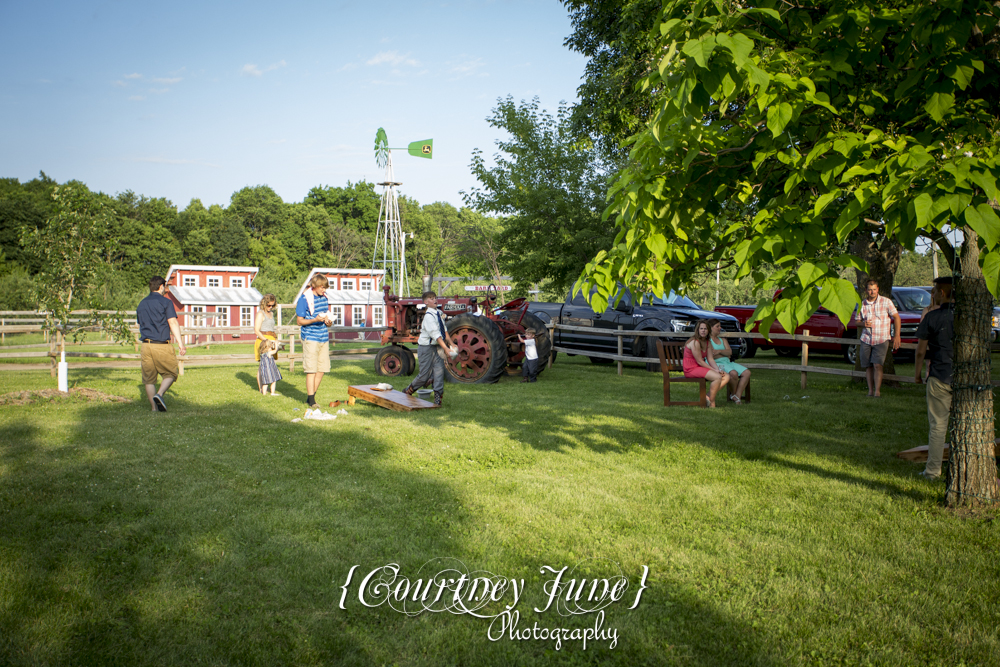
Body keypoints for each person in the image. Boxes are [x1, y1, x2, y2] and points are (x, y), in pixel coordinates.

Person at [914, 277, 953, 481]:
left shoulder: (932, 317)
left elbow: (920, 351)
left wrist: (917, 374)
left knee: (938, 427)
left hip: (939, 375)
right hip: (964, 379)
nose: (934, 295)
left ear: (942, 293)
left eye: (935, 291)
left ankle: (932, 472)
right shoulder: (967, 318)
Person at [136, 276, 186, 413]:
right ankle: (160, 394)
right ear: (161, 287)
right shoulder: (166, 302)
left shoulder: (142, 303)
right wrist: (181, 343)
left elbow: (140, 323)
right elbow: (173, 322)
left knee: (149, 379)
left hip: (146, 345)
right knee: (171, 373)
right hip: (161, 344)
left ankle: (154, 409)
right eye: (164, 287)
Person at [403, 291, 456, 406]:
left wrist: (451, 343)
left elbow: (444, 330)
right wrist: (446, 348)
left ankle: (437, 399)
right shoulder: (428, 317)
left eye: (435, 298)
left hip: (437, 347)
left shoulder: (439, 313)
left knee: (439, 372)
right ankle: (407, 391)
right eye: (431, 298)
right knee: (424, 375)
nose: (435, 300)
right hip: (426, 348)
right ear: (426, 302)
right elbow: (436, 335)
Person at [858, 279, 901, 397]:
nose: (872, 292)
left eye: (874, 289)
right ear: (866, 290)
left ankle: (877, 391)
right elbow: (857, 320)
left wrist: (897, 335)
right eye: (870, 290)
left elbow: (896, 317)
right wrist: (863, 324)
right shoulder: (862, 303)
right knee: (868, 366)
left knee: (878, 365)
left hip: (881, 338)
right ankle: (870, 391)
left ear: (878, 290)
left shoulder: (886, 302)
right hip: (866, 338)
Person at [296, 274, 332, 407]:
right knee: (311, 369)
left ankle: (311, 397)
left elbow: (325, 316)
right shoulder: (304, 299)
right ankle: (311, 401)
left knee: (321, 369)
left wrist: (328, 322)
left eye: (325, 287)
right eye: (322, 287)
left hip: (323, 337)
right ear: (315, 286)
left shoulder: (325, 298)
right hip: (310, 337)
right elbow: (300, 321)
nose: (324, 290)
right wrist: (315, 320)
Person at [683, 319, 730, 408]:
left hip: (700, 367)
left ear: (708, 330)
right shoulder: (695, 342)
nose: (703, 331)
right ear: (698, 330)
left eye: (705, 329)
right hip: (691, 368)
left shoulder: (708, 342)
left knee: (726, 376)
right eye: (701, 329)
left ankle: (707, 397)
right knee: (717, 377)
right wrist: (714, 370)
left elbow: (710, 359)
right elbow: (700, 361)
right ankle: (712, 403)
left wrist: (718, 369)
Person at [707, 318, 750, 404]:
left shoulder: (723, 340)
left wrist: (719, 351)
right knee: (733, 373)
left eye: (720, 326)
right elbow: (711, 355)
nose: (720, 328)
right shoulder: (707, 341)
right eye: (717, 326)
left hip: (727, 362)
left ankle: (736, 395)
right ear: (711, 328)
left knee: (747, 372)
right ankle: (734, 396)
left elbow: (730, 352)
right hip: (716, 363)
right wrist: (724, 353)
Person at [254, 293, 279, 393]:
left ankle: (268, 387)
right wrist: (266, 341)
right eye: (269, 305)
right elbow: (256, 330)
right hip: (263, 341)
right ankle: (261, 388)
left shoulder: (271, 314)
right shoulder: (260, 314)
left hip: (272, 340)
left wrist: (275, 341)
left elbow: (271, 328)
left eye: (272, 305)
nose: (270, 307)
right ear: (264, 303)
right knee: (262, 366)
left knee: (270, 364)